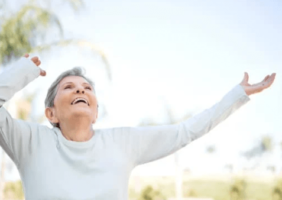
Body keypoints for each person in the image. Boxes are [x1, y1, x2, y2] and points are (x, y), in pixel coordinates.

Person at [0, 53, 276, 200]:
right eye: (68, 87)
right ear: (51, 112)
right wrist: (21, 71)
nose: (79, 90)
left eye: (86, 88)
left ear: (95, 112)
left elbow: (186, 131)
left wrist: (238, 95)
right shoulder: (29, 142)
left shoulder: (123, 142)